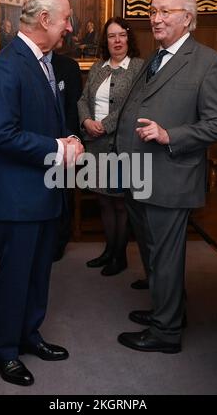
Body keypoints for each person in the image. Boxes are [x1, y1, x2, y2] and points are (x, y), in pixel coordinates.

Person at [115, 0, 217, 353]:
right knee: (151, 251)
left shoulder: (208, 61)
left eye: (166, 11)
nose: (156, 18)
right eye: (152, 11)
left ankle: (166, 333)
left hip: (170, 175)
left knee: (165, 256)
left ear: (188, 19)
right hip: (138, 173)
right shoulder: (155, 57)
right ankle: (167, 310)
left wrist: (169, 135)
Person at [0, 0, 84, 386]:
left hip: (45, 194)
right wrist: (58, 147)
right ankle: (3, 351)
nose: (71, 28)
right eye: (66, 20)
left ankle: (29, 335)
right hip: (17, 200)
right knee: (15, 277)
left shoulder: (45, 61)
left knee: (39, 274)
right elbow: (3, 135)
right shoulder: (7, 66)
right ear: (45, 20)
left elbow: (46, 122)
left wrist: (69, 139)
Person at [78, 17, 144, 276]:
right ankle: (108, 250)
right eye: (111, 36)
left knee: (119, 202)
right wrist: (86, 121)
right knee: (103, 201)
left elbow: (133, 105)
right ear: (106, 41)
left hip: (121, 144)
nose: (116, 41)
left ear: (129, 38)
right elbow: (83, 99)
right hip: (95, 144)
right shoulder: (97, 67)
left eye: (121, 35)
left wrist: (104, 124)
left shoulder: (139, 67)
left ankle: (120, 255)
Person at [51, 51, 83, 260]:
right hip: (35, 144)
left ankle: (59, 242)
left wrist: (71, 139)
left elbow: (74, 106)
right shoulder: (25, 64)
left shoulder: (68, 65)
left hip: (65, 143)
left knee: (63, 194)